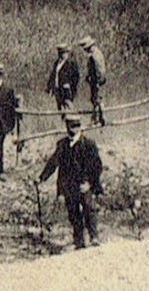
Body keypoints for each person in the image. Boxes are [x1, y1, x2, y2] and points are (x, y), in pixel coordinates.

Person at [38, 112, 104, 250]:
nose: (73, 129)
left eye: (76, 126)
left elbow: (97, 166)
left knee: (88, 207)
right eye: (71, 126)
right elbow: (53, 163)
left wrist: (90, 184)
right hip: (69, 185)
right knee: (73, 212)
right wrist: (41, 178)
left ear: (80, 127)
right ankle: (78, 240)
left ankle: (94, 237)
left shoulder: (88, 144)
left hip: (84, 184)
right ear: (67, 126)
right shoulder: (62, 145)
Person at [80, 35, 108, 125]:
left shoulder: (94, 56)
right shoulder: (97, 53)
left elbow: (99, 70)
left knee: (97, 99)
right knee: (96, 99)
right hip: (97, 80)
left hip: (97, 81)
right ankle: (97, 118)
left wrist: (98, 81)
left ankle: (98, 118)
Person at [46, 43, 80, 111]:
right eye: (60, 53)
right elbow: (53, 74)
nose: (62, 55)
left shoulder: (70, 63)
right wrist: (50, 86)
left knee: (68, 105)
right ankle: (63, 119)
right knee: (60, 106)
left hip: (66, 89)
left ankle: (71, 119)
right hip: (58, 88)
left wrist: (71, 85)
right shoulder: (57, 63)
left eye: (64, 53)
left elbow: (76, 76)